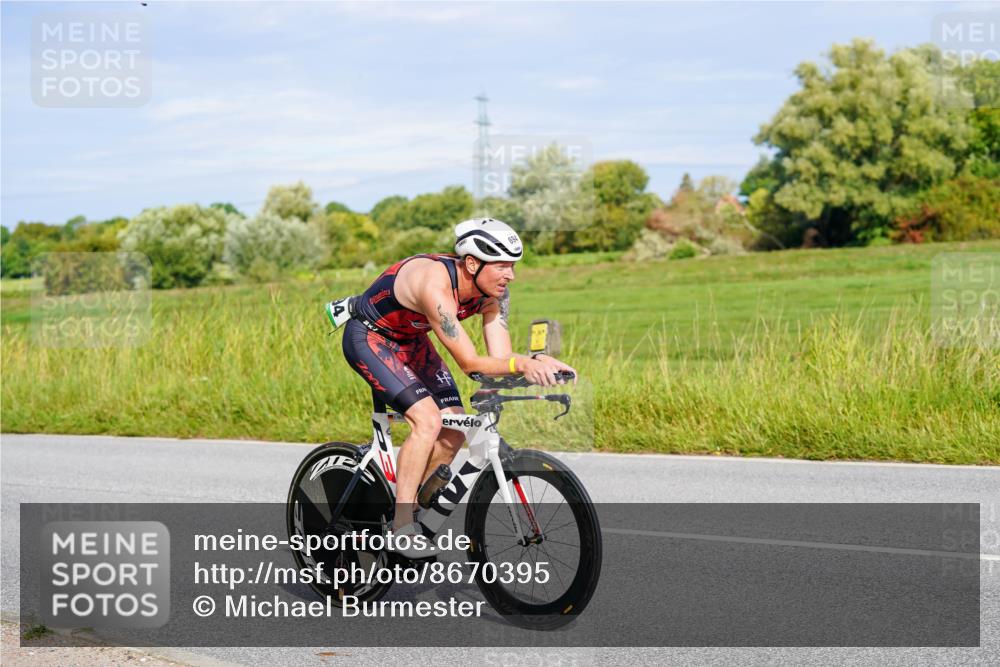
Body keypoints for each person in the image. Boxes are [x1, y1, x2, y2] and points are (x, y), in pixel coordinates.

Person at [338, 217, 576, 558]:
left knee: (454, 429)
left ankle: (406, 499)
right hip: (371, 337)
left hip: (412, 341)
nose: (511, 275)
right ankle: (401, 527)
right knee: (428, 420)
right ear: (472, 263)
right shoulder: (435, 287)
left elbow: (500, 358)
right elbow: (470, 364)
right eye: (503, 266)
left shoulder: (494, 294)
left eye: (513, 266)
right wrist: (522, 364)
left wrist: (537, 361)